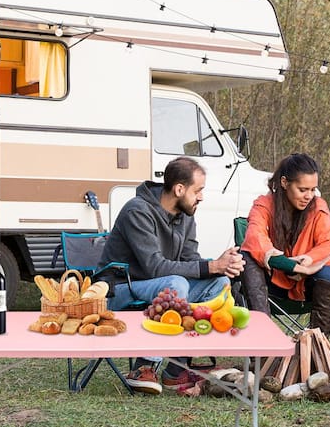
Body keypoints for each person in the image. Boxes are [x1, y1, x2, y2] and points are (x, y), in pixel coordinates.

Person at [99, 156, 245, 394]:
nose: (201, 197)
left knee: (218, 282)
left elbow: (190, 260)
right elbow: (154, 267)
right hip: (120, 288)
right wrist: (212, 265)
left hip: (160, 286)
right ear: (179, 189)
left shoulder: (186, 215)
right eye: (198, 190)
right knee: (176, 284)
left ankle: (176, 370)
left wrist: (221, 265)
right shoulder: (137, 210)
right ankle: (143, 367)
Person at [240, 153, 330, 336]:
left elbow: (329, 245)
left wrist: (309, 259)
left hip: (305, 284)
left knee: (329, 274)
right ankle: (262, 339)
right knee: (246, 257)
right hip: (271, 283)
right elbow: (255, 238)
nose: (309, 196)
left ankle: (317, 344)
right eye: (303, 190)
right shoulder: (264, 205)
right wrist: (289, 265)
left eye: (313, 189)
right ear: (285, 182)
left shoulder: (318, 207)